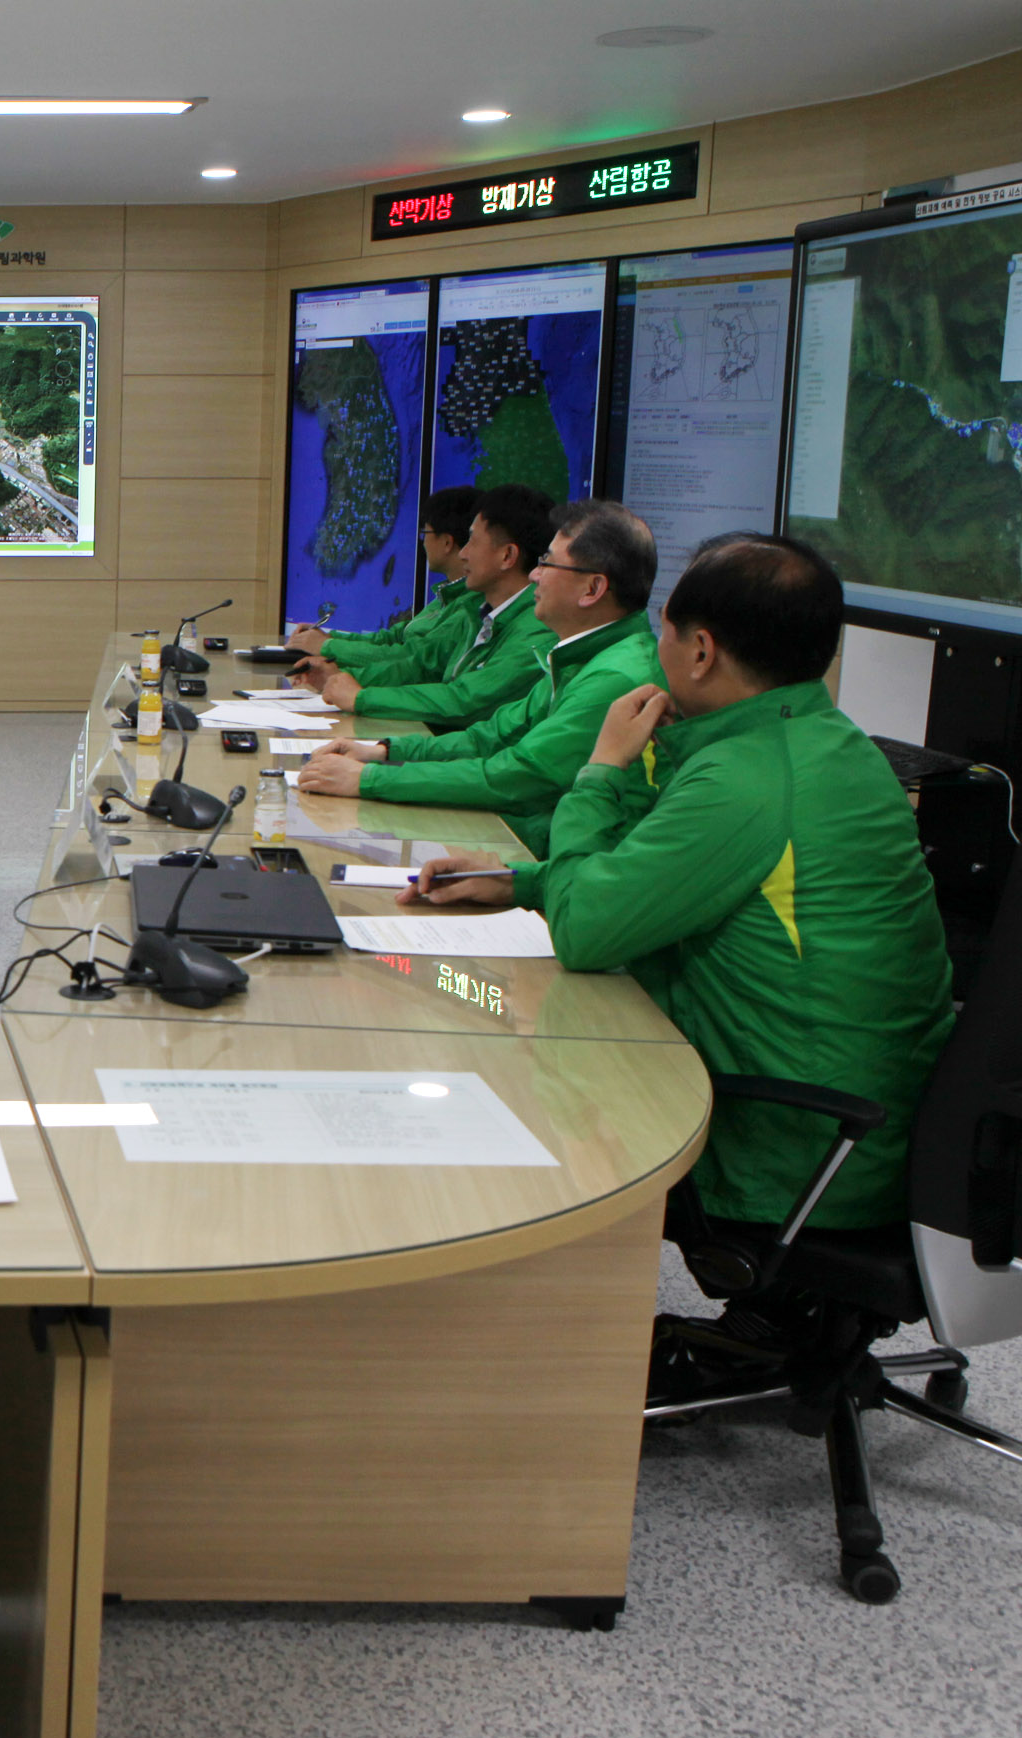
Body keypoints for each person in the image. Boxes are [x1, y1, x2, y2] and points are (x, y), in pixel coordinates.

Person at [404, 536, 954, 1359]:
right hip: (872, 1127)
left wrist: (602, 767)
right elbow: (659, 877)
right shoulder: (822, 742)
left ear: (699, 650)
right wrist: (523, 882)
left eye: (663, 632)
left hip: (786, 1142)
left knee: (482, 1040)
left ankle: (485, 1372)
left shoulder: (744, 781)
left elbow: (591, 935)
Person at [298, 499, 659, 857]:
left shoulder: (613, 676)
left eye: (547, 564)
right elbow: (494, 734)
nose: (535, 574)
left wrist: (369, 779)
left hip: (556, 860)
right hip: (534, 843)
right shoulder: (583, 654)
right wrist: (384, 751)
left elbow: (519, 774)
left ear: (592, 589)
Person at [294, 484, 556, 734]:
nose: (462, 553)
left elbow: (463, 702)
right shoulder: (477, 612)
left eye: (473, 541)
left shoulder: (535, 632)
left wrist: (363, 697)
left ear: (507, 556)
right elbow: (420, 665)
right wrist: (342, 676)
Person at [285, 484, 482, 665]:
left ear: (447, 542)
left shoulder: (468, 608)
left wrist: (327, 648)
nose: (423, 543)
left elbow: (409, 659)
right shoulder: (446, 595)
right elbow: (394, 638)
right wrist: (330, 639)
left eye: (425, 534)